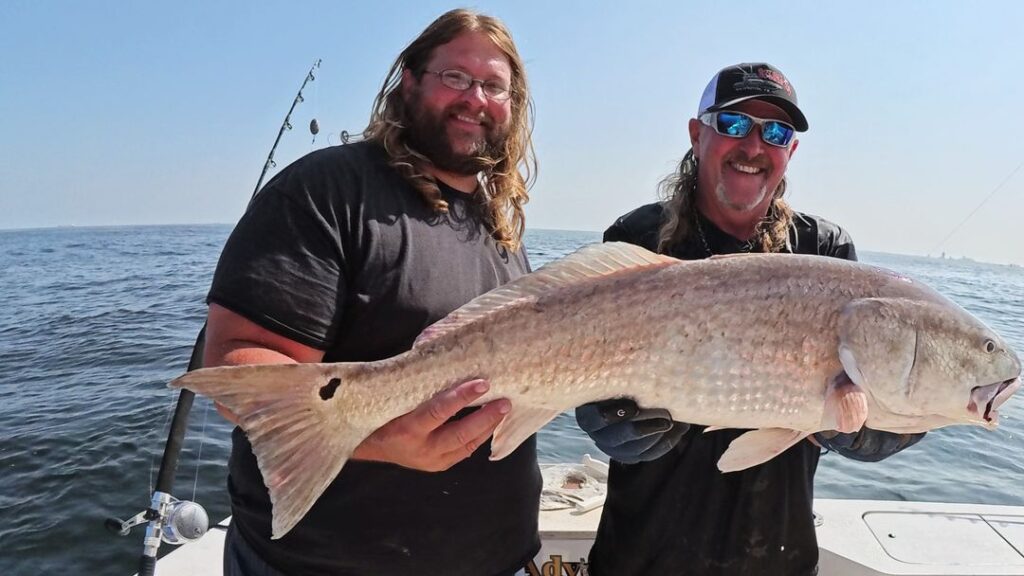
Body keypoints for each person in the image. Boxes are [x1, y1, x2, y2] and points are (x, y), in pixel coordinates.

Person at [202, 9, 540, 576]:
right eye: (455, 77)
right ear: (408, 81)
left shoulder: (498, 230)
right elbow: (238, 363)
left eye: (493, 86)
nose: (474, 98)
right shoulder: (327, 190)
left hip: (495, 559)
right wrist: (382, 440)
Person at [576, 62, 925, 576]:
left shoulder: (824, 250)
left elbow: (873, 393)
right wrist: (598, 416)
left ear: (791, 152)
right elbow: (577, 364)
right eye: (734, 125)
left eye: (776, 132)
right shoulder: (637, 239)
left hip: (775, 556)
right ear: (698, 135)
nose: (754, 146)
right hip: (641, 556)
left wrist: (865, 432)